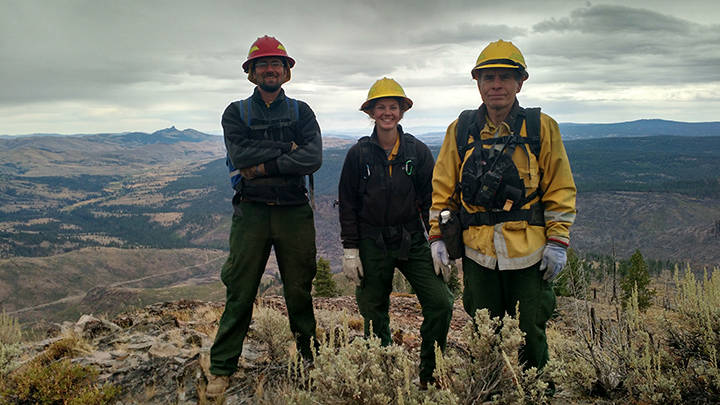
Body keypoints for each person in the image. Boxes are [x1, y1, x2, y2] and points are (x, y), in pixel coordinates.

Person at [429, 40, 576, 382]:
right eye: (488, 77)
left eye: (506, 77)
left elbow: (560, 188)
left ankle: (537, 394)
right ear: (478, 83)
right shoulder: (461, 129)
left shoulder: (541, 128)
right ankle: (488, 392)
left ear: (520, 82)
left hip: (529, 253)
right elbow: (443, 188)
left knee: (531, 334)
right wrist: (437, 234)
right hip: (478, 252)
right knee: (484, 334)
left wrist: (558, 241)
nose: (497, 85)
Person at [207, 35, 322, 399]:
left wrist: (266, 163)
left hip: (293, 212)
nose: (270, 69)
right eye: (263, 64)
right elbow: (240, 156)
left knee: (299, 291)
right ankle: (222, 368)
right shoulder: (235, 112)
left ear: (286, 72)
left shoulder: (302, 112)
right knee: (239, 291)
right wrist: (287, 149)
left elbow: (314, 157)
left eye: (277, 64)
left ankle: (310, 362)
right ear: (252, 73)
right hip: (252, 211)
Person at [338, 78, 454, 389]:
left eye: (393, 107)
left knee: (441, 303)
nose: (387, 112)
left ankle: (431, 373)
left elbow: (433, 199)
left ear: (401, 112)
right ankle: (383, 372)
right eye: (381, 107)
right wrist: (351, 250)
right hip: (370, 240)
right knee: (374, 310)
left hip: (412, 238)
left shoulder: (417, 151)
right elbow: (347, 205)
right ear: (371, 113)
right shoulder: (357, 155)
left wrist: (437, 239)